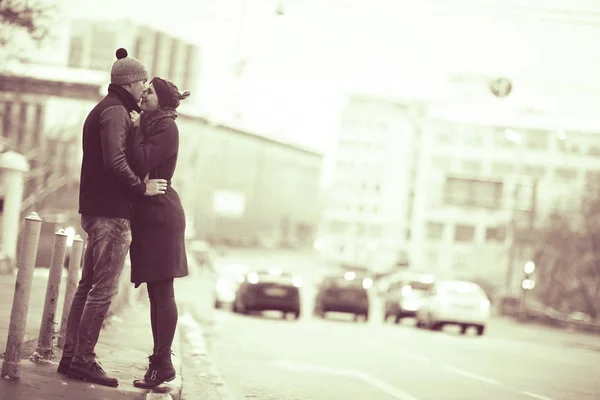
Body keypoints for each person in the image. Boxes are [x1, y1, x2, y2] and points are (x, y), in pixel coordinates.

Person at [57, 48, 168, 388]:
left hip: (97, 209)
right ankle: (83, 360)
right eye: (143, 82)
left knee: (88, 286)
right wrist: (142, 188)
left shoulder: (105, 109)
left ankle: (71, 355)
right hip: (111, 212)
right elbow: (115, 162)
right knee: (102, 288)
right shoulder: (116, 111)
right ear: (132, 83)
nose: (145, 88)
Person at [126, 77, 190, 388]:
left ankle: (162, 362)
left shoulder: (165, 127)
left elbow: (140, 161)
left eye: (149, 91)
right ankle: (160, 361)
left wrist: (136, 130)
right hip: (153, 214)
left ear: (161, 100)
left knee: (163, 292)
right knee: (156, 293)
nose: (143, 93)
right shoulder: (154, 123)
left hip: (162, 215)